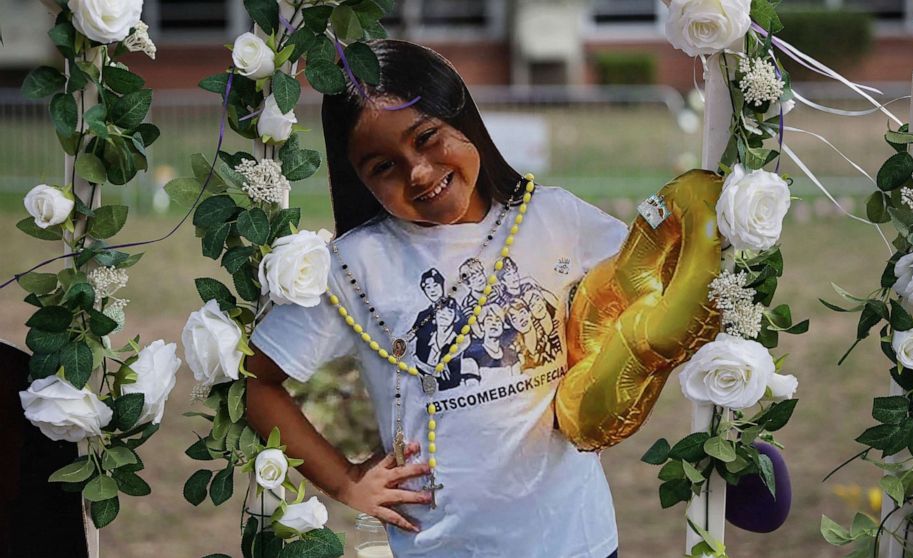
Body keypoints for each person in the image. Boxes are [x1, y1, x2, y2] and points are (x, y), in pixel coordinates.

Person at [246, 39, 627, 558]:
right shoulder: (356, 267)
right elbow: (255, 382)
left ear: (463, 117)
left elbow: (648, 282)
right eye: (383, 167)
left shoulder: (554, 218)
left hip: (578, 541)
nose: (418, 172)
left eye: (427, 137)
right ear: (357, 177)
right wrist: (345, 481)